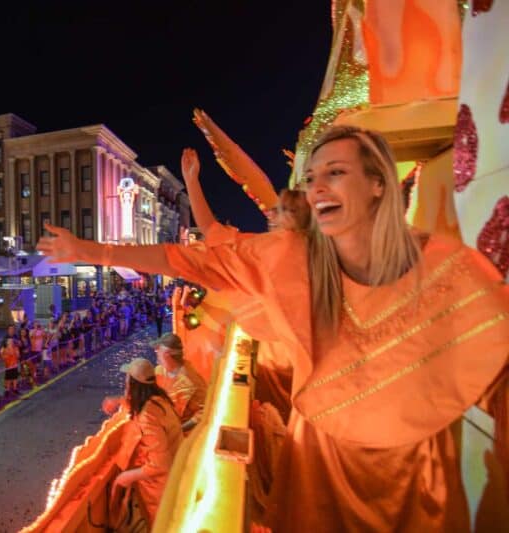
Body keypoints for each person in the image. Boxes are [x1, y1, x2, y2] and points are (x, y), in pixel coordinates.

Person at [38, 127, 509, 531]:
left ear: (379, 183)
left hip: (417, 472)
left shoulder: (442, 268)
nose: (317, 188)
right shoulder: (282, 258)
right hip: (323, 466)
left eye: (336, 173)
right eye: (311, 178)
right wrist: (95, 251)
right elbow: (185, 256)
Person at [110, 358, 183, 529]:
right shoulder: (158, 400)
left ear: (133, 385)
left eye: (127, 380)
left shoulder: (147, 417)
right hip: (174, 480)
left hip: (160, 491)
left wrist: (125, 477)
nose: (125, 383)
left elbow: (160, 465)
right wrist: (118, 401)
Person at [151, 333, 207, 434]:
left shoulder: (191, 381)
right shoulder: (159, 371)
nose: (156, 352)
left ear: (167, 354)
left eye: (158, 349)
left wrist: (179, 430)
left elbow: (204, 413)